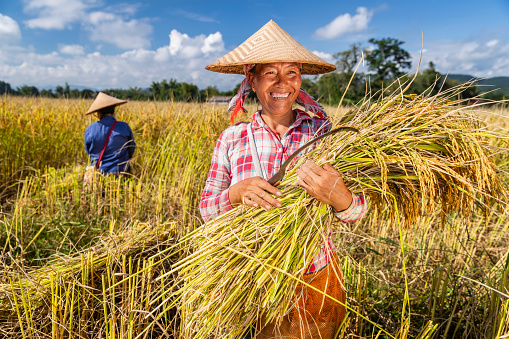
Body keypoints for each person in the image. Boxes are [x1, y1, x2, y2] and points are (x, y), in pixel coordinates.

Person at [200, 20, 367, 339]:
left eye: (291, 72)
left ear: (300, 78)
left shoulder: (326, 136)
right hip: (251, 282)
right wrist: (235, 194)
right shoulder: (232, 139)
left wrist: (340, 197)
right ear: (251, 79)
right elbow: (207, 211)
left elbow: (359, 212)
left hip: (315, 281)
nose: (282, 83)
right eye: (270, 73)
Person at [84, 92, 136, 174]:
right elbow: (131, 149)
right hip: (121, 172)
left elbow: (89, 152)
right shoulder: (124, 127)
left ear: (98, 113)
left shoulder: (90, 129)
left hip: (98, 172)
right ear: (114, 110)